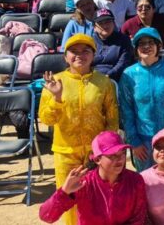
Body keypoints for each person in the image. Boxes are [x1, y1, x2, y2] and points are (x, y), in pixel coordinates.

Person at [39, 33, 120, 225]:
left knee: (98, 199)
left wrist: (104, 151)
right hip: (66, 153)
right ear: (65, 56)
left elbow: (112, 120)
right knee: (69, 200)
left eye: (85, 51)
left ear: (93, 55)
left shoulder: (104, 83)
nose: (79, 55)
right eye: (73, 51)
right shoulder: (55, 82)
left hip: (96, 155)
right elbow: (46, 119)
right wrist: (57, 98)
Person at [118, 27, 164, 172]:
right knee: (146, 184)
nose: (146, 46)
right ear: (136, 48)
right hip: (142, 141)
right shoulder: (128, 75)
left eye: (151, 42)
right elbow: (126, 110)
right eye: (141, 43)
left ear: (159, 46)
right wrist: (134, 141)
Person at [39, 131, 148, 224]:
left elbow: (138, 219)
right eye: (112, 155)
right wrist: (64, 192)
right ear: (97, 160)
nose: (119, 159)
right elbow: (46, 216)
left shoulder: (135, 181)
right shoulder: (84, 184)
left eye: (122, 153)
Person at [91, 8, 134, 81]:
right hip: (92, 77)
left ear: (114, 23)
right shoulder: (89, 41)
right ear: (94, 27)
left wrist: (108, 75)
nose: (105, 26)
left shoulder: (123, 40)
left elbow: (123, 63)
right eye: (101, 23)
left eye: (108, 22)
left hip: (115, 78)